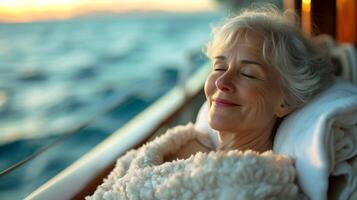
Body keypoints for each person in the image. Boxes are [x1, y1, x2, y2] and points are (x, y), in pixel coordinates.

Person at [87, 6, 332, 200]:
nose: (222, 82)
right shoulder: (185, 142)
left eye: (248, 73)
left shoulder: (253, 184)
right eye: (219, 67)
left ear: (285, 100)